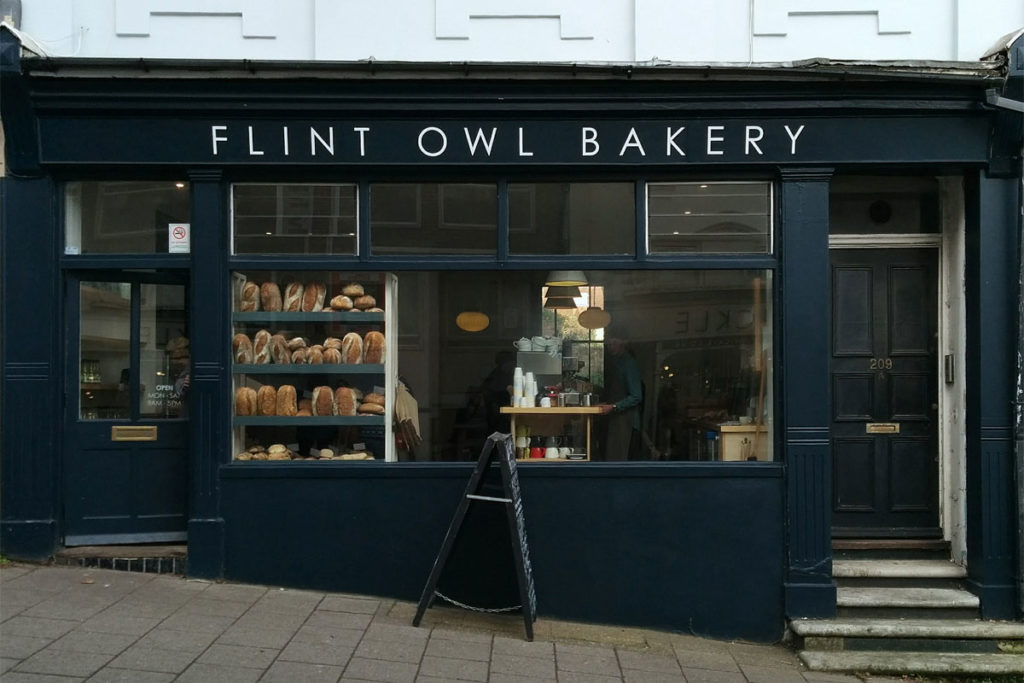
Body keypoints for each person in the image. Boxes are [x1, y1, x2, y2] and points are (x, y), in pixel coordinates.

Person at [598, 325, 643, 460]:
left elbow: (636, 396)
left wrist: (614, 406)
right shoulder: (616, 362)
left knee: (619, 460)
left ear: (623, 343)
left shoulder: (628, 363)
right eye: (608, 343)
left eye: (613, 343)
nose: (610, 346)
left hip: (626, 421)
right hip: (616, 418)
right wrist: (606, 403)